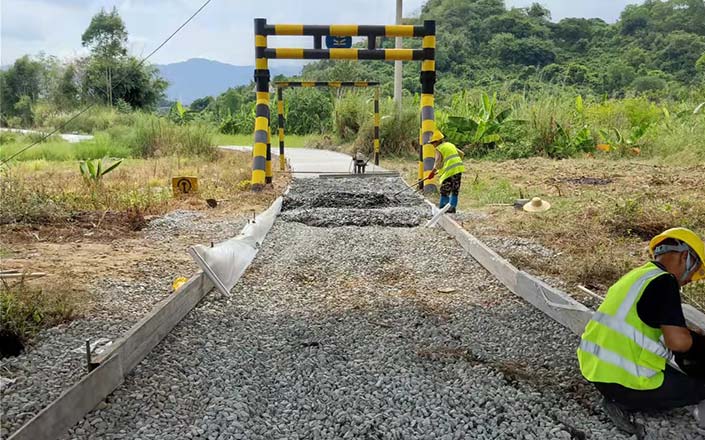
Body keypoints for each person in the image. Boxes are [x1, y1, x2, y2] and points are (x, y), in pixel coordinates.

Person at [577, 227, 705, 435]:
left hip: (595, 370)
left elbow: (644, 320)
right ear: (684, 257)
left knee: (676, 369)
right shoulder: (665, 282)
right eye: (694, 272)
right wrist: (699, 343)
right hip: (623, 382)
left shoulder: (638, 276)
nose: (689, 280)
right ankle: (626, 404)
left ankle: (619, 397)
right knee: (699, 387)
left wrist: (686, 332)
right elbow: (678, 343)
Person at [427, 130, 464, 214]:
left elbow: (437, 163)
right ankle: (452, 207)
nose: (432, 145)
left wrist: (432, 173)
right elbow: (461, 154)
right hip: (458, 169)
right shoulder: (450, 144)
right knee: (455, 189)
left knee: (445, 189)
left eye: (433, 143)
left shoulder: (439, 149)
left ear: (437, 141)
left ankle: (443, 207)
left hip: (449, 172)